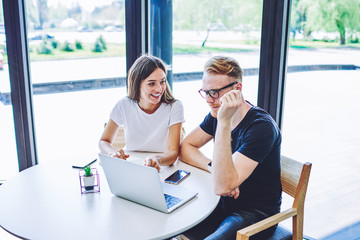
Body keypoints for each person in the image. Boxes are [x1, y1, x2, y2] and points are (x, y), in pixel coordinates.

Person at [179, 56, 282, 239]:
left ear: (237, 88)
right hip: (221, 203)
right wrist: (213, 168)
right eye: (206, 92)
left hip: (255, 213)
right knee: (173, 221)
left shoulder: (261, 127)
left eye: (216, 92)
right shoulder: (216, 112)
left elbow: (223, 186)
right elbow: (186, 146)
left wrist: (224, 121)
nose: (209, 100)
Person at [99, 54, 184, 171]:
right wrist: (112, 153)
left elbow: (173, 153)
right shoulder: (124, 105)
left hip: (161, 165)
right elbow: (104, 141)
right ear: (137, 84)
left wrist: (157, 159)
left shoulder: (174, 107)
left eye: (162, 81)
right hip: (131, 164)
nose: (159, 89)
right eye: (151, 83)